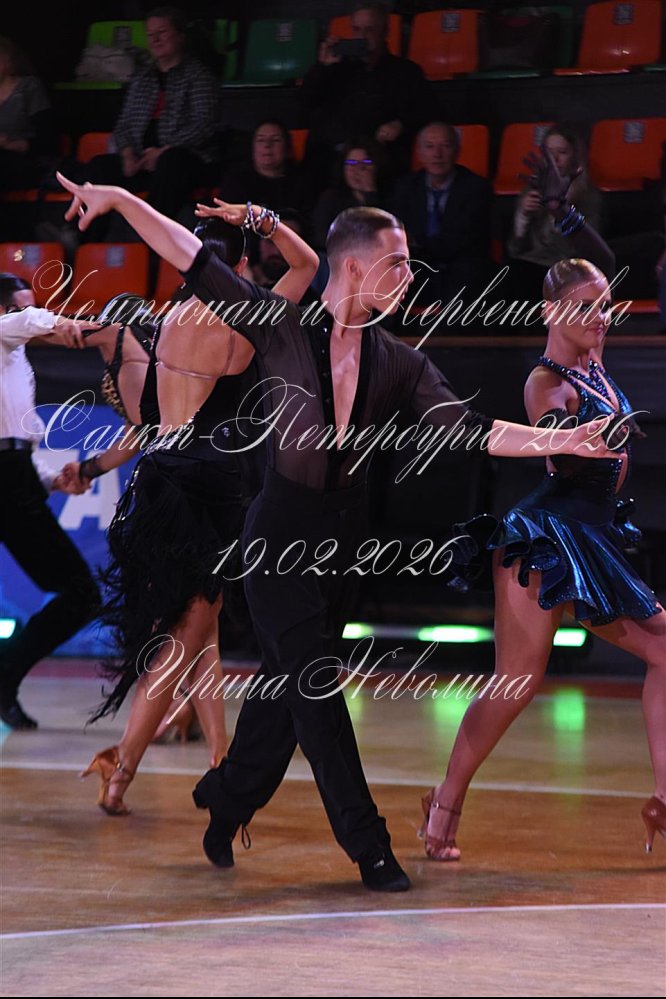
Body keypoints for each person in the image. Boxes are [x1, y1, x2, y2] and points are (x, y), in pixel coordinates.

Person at [56, 171, 616, 893]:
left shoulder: (399, 360)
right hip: (276, 540)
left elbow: (469, 429)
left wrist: (561, 441)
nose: (409, 275)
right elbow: (192, 257)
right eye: (398, 261)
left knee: (284, 706)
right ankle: (369, 846)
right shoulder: (280, 327)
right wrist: (121, 199)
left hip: (343, 546)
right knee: (318, 693)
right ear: (353, 267)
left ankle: (225, 798)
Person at [70, 207, 319, 816]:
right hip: (208, 493)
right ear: (240, 264)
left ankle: (217, 755)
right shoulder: (243, 319)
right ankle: (121, 765)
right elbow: (308, 264)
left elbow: (148, 423)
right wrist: (261, 218)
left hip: (158, 486)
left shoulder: (169, 319)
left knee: (201, 631)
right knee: (183, 641)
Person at [418, 255, 665, 860]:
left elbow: (597, 264)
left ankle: (664, 797)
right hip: (548, 542)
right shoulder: (546, 383)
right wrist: (576, 435)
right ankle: (445, 801)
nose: (601, 317)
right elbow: (553, 434)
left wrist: (569, 221)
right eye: (585, 308)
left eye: (604, 305)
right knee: (516, 683)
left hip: (591, 536)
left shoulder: (592, 356)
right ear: (551, 313)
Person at [0, 274, 101, 728]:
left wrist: (52, 480)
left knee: (82, 594)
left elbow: (14, 442)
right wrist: (62, 323)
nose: (29, 315)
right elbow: (25, 322)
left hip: (13, 478)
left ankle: (5, 675)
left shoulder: (16, 356)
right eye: (20, 306)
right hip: (6, 479)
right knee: (82, 593)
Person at [81, 6, 220, 240]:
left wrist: (164, 150)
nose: (155, 39)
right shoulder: (141, 78)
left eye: (162, 32)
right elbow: (123, 125)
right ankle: (84, 241)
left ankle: (151, 241)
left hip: (185, 159)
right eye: (150, 34)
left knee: (171, 162)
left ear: (180, 36)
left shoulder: (198, 76)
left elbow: (204, 125)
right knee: (99, 167)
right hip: (140, 159)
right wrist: (127, 153)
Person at [301, 3, 439, 183]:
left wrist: (401, 124)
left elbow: (430, 112)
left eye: (370, 30)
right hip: (333, 159)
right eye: (357, 29)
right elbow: (304, 103)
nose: (362, 36)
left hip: (381, 161)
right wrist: (322, 67)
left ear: (385, 32)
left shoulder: (406, 72)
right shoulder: (335, 68)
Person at [390, 121, 494, 311]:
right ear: (419, 153)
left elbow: (464, 240)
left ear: (457, 151)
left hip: (459, 267)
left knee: (469, 276)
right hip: (417, 265)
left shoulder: (477, 188)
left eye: (445, 146)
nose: (437, 154)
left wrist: (417, 242)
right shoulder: (405, 187)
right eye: (429, 147)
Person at [507, 124, 605, 301]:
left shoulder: (588, 197)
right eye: (549, 152)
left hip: (566, 269)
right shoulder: (532, 191)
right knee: (509, 274)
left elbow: (586, 252)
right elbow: (514, 249)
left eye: (562, 152)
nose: (554, 159)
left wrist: (562, 212)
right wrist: (523, 217)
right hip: (530, 264)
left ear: (575, 157)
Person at [218, 120, 316, 215]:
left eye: (276, 140)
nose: (267, 145)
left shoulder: (302, 181)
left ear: (287, 148)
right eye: (261, 140)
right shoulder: (236, 179)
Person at [0, 36, 57, 197]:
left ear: (8, 61)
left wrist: (12, 144)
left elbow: (48, 139)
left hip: (26, 161)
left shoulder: (29, 88)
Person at [313, 136, 385, 250]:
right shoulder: (330, 198)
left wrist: (370, 193)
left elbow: (384, 234)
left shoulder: (388, 197)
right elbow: (321, 237)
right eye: (351, 163)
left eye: (365, 162)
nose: (358, 169)